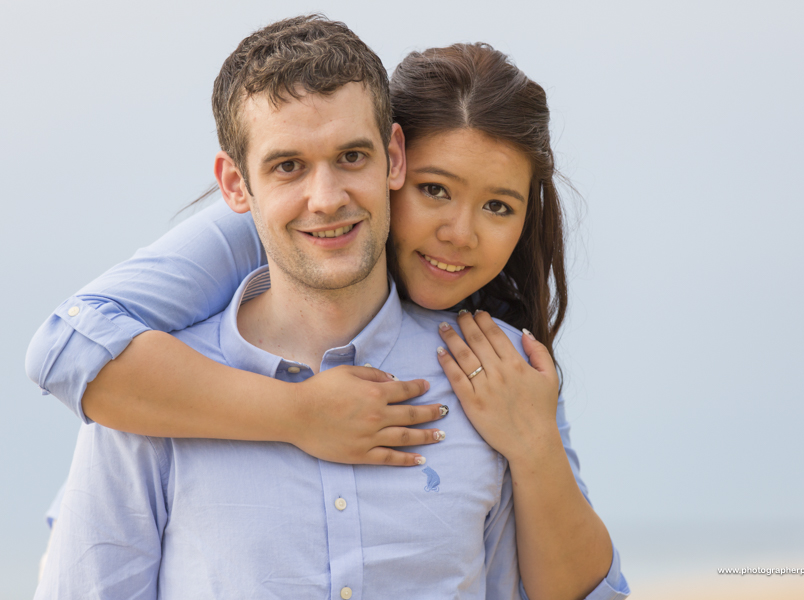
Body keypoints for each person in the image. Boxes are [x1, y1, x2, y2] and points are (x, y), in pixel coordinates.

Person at [29, 15, 629, 600]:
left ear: (389, 157)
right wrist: (299, 413)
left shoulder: (495, 375)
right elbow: (67, 346)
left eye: (351, 158)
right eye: (288, 166)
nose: (326, 199)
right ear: (237, 185)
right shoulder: (151, 391)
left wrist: (533, 443)